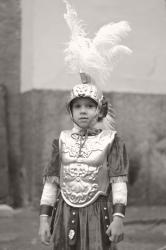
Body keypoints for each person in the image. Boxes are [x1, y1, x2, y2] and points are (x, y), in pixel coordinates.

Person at [39, 1, 132, 249]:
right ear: (70, 110)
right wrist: (44, 219)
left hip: (98, 211)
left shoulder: (111, 140)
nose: (83, 111)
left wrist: (119, 218)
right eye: (77, 106)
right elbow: (51, 182)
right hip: (64, 210)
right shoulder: (60, 140)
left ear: (99, 109)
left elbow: (118, 181)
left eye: (89, 106)